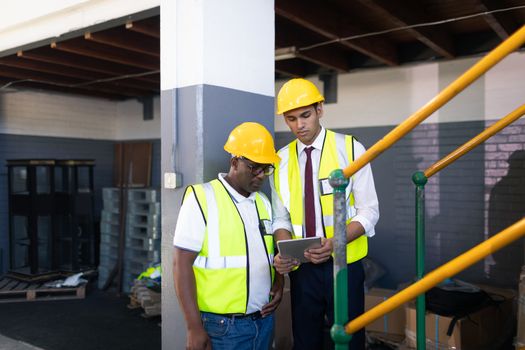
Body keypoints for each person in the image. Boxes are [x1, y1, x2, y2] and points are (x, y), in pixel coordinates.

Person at [271, 78, 380, 350]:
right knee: (305, 341)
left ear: (320, 109)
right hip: (303, 269)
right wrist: (285, 251)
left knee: (348, 339)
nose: (299, 125)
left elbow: (370, 211)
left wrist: (334, 243)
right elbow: (281, 219)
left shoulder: (352, 150)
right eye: (291, 119)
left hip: (344, 265)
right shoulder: (280, 161)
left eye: (305, 115)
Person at [173, 122, 284, 350]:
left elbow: (269, 255)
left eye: (266, 168)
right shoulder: (201, 198)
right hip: (222, 327)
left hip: (263, 321)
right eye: (254, 167)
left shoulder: (262, 203)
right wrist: (194, 327)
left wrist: (279, 282)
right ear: (235, 162)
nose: (261, 175)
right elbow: (181, 264)